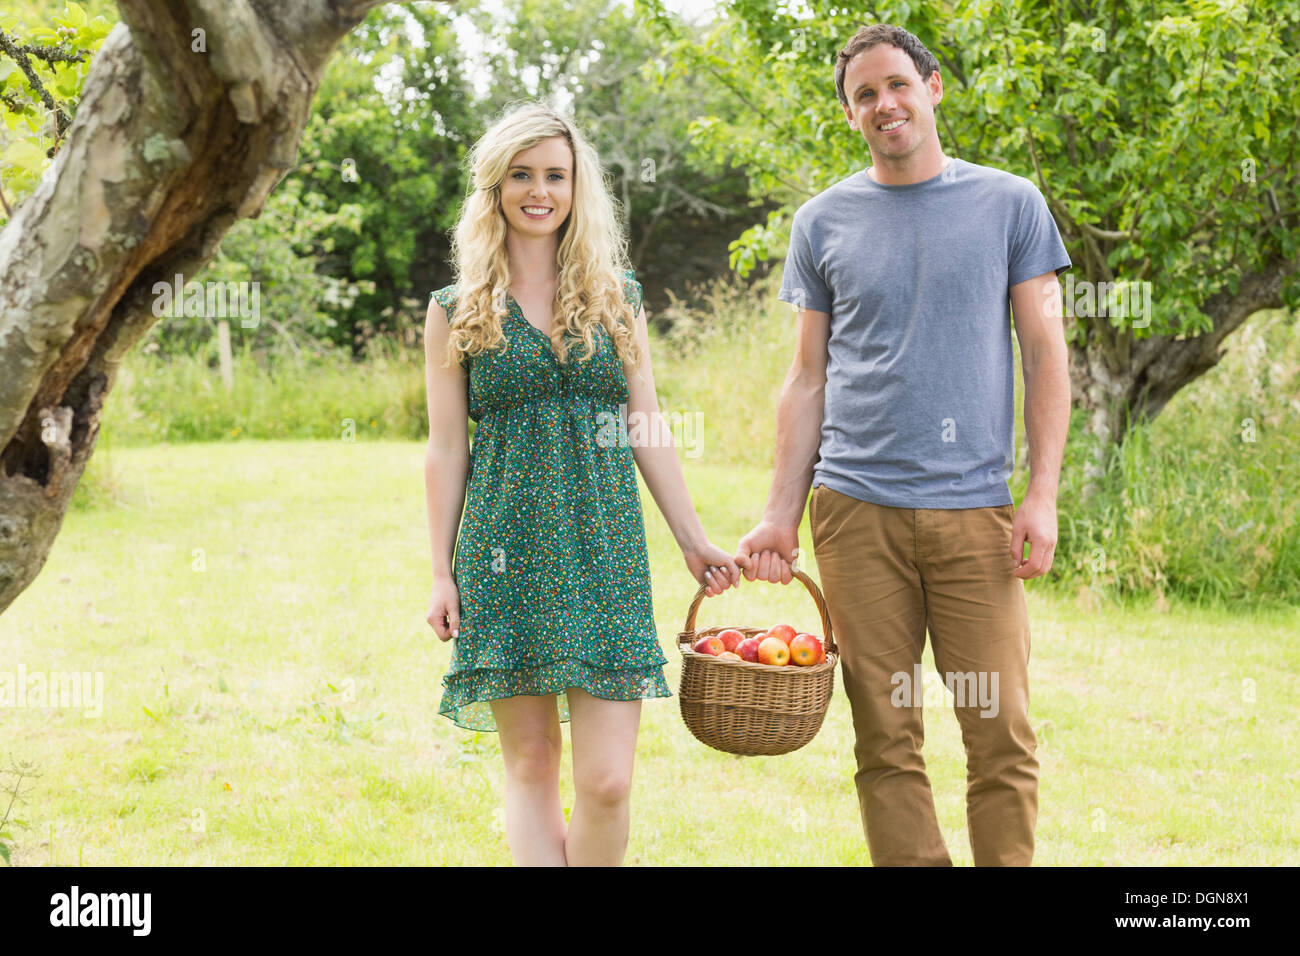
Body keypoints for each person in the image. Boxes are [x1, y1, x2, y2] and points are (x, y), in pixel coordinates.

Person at [734, 24, 1072, 866]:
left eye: (896, 85)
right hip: (854, 514)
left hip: (974, 516)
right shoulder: (822, 222)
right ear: (851, 115)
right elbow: (806, 377)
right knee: (884, 737)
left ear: (932, 88)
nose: (884, 104)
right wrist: (781, 512)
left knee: (1000, 732)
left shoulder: (1009, 204)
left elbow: (1045, 354)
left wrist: (1042, 494)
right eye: (864, 95)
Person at [423, 101, 742, 867]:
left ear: (577, 188)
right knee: (531, 766)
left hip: (605, 549)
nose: (540, 191)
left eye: (556, 176)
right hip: (505, 552)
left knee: (605, 783)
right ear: (495, 188)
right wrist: (441, 572)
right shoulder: (456, 311)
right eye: (522, 175)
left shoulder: (615, 296)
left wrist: (693, 540)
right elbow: (444, 450)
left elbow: (647, 426)